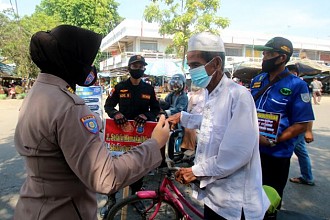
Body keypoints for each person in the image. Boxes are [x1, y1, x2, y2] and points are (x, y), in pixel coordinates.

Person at [14, 25, 170, 220]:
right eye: (87, 60)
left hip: (33, 206)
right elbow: (106, 178)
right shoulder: (70, 106)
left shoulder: (38, 93)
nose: (90, 67)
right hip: (62, 211)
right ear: (71, 61)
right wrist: (155, 144)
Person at [168, 32, 270, 220]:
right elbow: (214, 124)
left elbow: (236, 153)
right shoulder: (211, 93)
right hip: (214, 198)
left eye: (195, 65)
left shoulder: (238, 96)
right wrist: (182, 117)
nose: (191, 71)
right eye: (189, 66)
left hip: (234, 203)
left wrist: (195, 171)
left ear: (215, 63)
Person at [251, 37, 315, 214]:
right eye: (264, 53)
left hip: (275, 155)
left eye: (269, 54)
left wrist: (274, 140)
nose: (264, 58)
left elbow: (301, 124)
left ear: (282, 57)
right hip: (251, 151)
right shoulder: (257, 80)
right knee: (247, 198)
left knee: (268, 201)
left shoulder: (297, 85)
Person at [102, 54, 161, 216]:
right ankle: (111, 198)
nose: (139, 69)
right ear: (129, 68)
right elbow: (108, 106)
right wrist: (116, 114)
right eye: (135, 66)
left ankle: (136, 198)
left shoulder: (148, 89)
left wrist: (146, 116)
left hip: (140, 136)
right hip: (119, 136)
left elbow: (156, 109)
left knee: (138, 167)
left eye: (141, 66)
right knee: (115, 166)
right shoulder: (120, 87)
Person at [287, 65, 315, 186]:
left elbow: (307, 112)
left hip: (296, 129)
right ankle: (307, 177)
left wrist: (309, 131)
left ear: (296, 74)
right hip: (292, 127)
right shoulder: (287, 86)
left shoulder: (301, 86)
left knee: (284, 152)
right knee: (301, 151)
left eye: (291, 73)